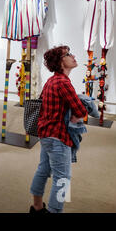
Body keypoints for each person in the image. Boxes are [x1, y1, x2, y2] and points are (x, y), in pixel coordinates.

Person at [29, 45, 87, 213]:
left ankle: (37, 206)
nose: (73, 56)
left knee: (43, 170)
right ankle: (55, 211)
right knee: (63, 179)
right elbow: (81, 111)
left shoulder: (51, 80)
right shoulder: (63, 83)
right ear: (61, 62)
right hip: (59, 137)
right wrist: (78, 113)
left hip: (46, 135)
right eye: (68, 54)